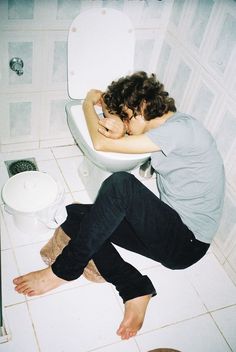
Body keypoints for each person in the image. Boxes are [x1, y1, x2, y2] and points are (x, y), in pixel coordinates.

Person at [13, 71, 225, 340]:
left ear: (143, 108)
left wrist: (89, 103)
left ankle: (63, 271)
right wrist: (112, 109)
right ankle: (135, 287)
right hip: (169, 229)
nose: (123, 122)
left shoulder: (182, 130)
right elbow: (119, 131)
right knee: (76, 214)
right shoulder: (164, 127)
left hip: (187, 243)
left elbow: (101, 141)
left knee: (121, 184)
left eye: (125, 115)